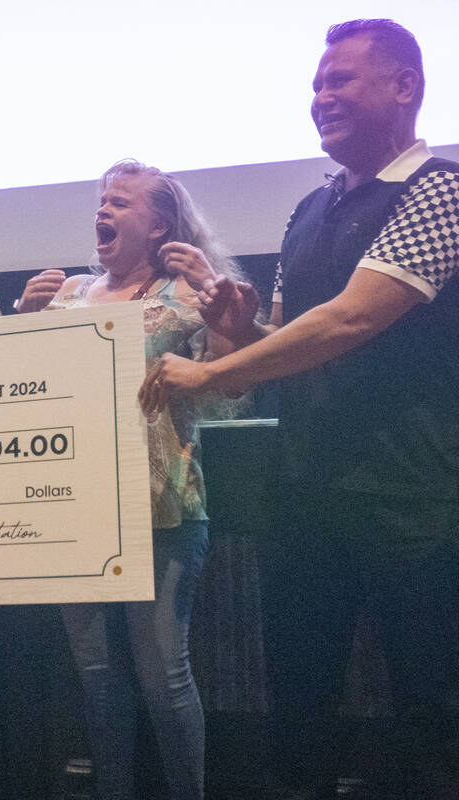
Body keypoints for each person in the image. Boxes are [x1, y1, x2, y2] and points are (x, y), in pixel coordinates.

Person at [138, 19, 459, 798]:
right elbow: (290, 343)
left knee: (431, 713)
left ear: (405, 86)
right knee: (299, 711)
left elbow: (351, 320)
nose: (321, 98)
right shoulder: (309, 209)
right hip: (308, 495)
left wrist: (211, 372)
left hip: (411, 502)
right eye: (316, 85)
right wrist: (236, 332)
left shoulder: (441, 187)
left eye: (341, 80)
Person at [19, 159, 244, 800]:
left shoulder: (187, 296)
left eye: (121, 202)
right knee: (95, 678)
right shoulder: (66, 297)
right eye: (102, 201)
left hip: (162, 510)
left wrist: (221, 309)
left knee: (162, 679)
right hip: (74, 510)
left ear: (161, 226)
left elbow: (233, 383)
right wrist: (15, 318)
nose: (104, 210)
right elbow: (20, 386)